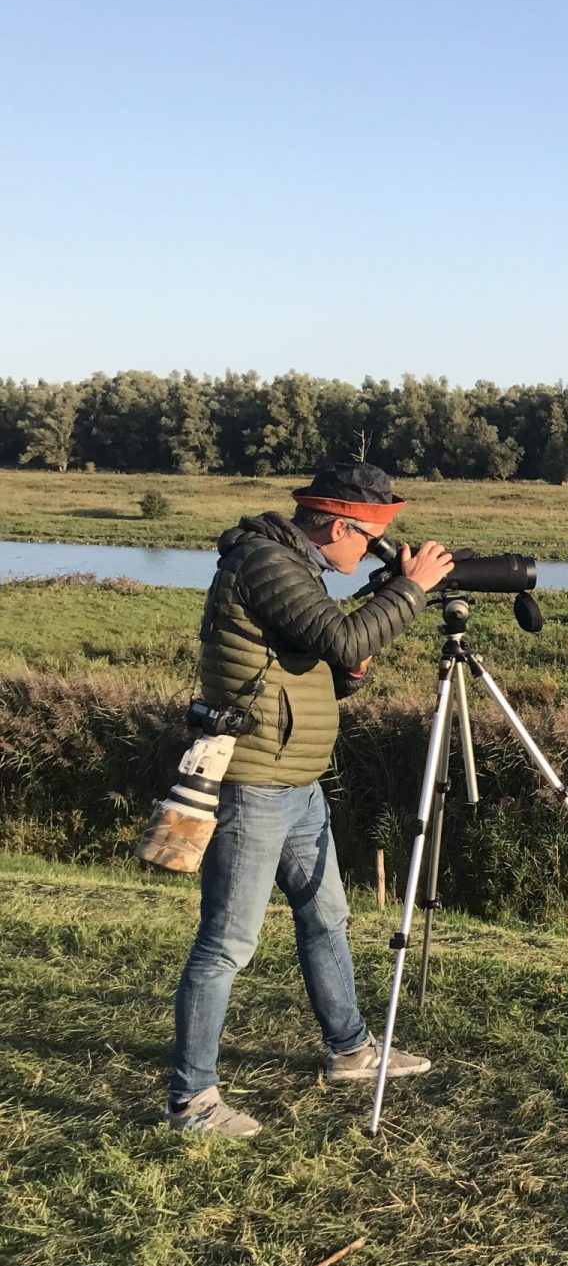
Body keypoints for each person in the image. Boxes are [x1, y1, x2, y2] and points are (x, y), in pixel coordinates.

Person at [165, 464, 455, 1137]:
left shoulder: (299, 570)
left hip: (297, 781)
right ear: (334, 524)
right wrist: (409, 588)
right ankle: (191, 1102)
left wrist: (355, 658)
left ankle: (350, 1049)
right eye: (370, 538)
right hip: (254, 783)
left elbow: (330, 668)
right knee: (227, 944)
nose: (370, 552)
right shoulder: (268, 564)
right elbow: (348, 637)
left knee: (328, 917)